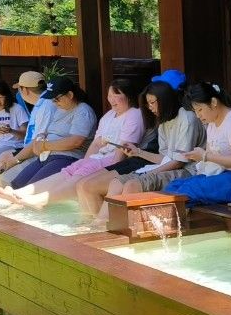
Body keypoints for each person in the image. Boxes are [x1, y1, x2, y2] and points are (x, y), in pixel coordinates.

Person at [0, 79, 147, 209]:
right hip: (95, 157)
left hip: (111, 160)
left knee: (80, 175)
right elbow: (96, 143)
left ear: (129, 95)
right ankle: (21, 193)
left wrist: (110, 169)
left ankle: (39, 200)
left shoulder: (134, 114)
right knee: (71, 170)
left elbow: (123, 149)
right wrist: (84, 162)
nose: (111, 99)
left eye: (116, 95)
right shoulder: (109, 116)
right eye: (109, 95)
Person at [80, 80, 204, 226]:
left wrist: (150, 173)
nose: (149, 107)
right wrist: (138, 152)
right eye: (147, 103)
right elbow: (166, 158)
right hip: (170, 167)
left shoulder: (187, 119)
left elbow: (178, 162)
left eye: (152, 102)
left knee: (131, 186)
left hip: (188, 171)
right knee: (115, 184)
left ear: (164, 99)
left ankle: (116, 228)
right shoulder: (164, 122)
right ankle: (100, 225)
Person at [161, 81, 231, 207]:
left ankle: (169, 221)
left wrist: (204, 156)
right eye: (195, 111)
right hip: (224, 175)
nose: (198, 115)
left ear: (213, 102)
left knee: (189, 190)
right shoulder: (211, 124)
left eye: (200, 110)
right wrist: (198, 157)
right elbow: (210, 157)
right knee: (174, 186)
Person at [0, 77, 96, 191]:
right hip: (45, 157)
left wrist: (44, 145)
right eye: (52, 100)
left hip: (68, 157)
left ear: (70, 95)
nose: (54, 103)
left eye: (56, 99)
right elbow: (44, 134)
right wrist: (39, 139)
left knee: (28, 191)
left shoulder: (83, 111)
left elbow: (76, 141)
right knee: (14, 186)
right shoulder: (60, 109)